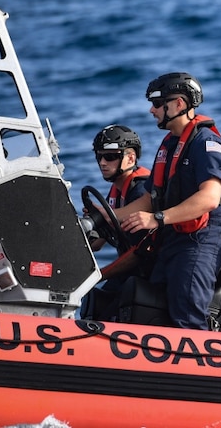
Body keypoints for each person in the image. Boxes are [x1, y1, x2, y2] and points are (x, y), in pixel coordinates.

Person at [114, 72, 221, 330]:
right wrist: (106, 216)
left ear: (179, 103)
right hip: (172, 240)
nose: (151, 110)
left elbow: (210, 198)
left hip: (199, 241)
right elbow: (149, 199)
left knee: (187, 315)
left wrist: (157, 219)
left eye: (158, 103)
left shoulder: (206, 144)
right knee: (154, 308)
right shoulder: (169, 145)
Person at [82, 125, 152, 321]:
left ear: (130, 158)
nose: (103, 163)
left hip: (144, 275)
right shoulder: (115, 193)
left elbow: (139, 253)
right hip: (127, 274)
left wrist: (100, 274)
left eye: (110, 157)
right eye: (99, 157)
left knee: (104, 311)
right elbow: (97, 243)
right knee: (92, 303)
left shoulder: (139, 192)